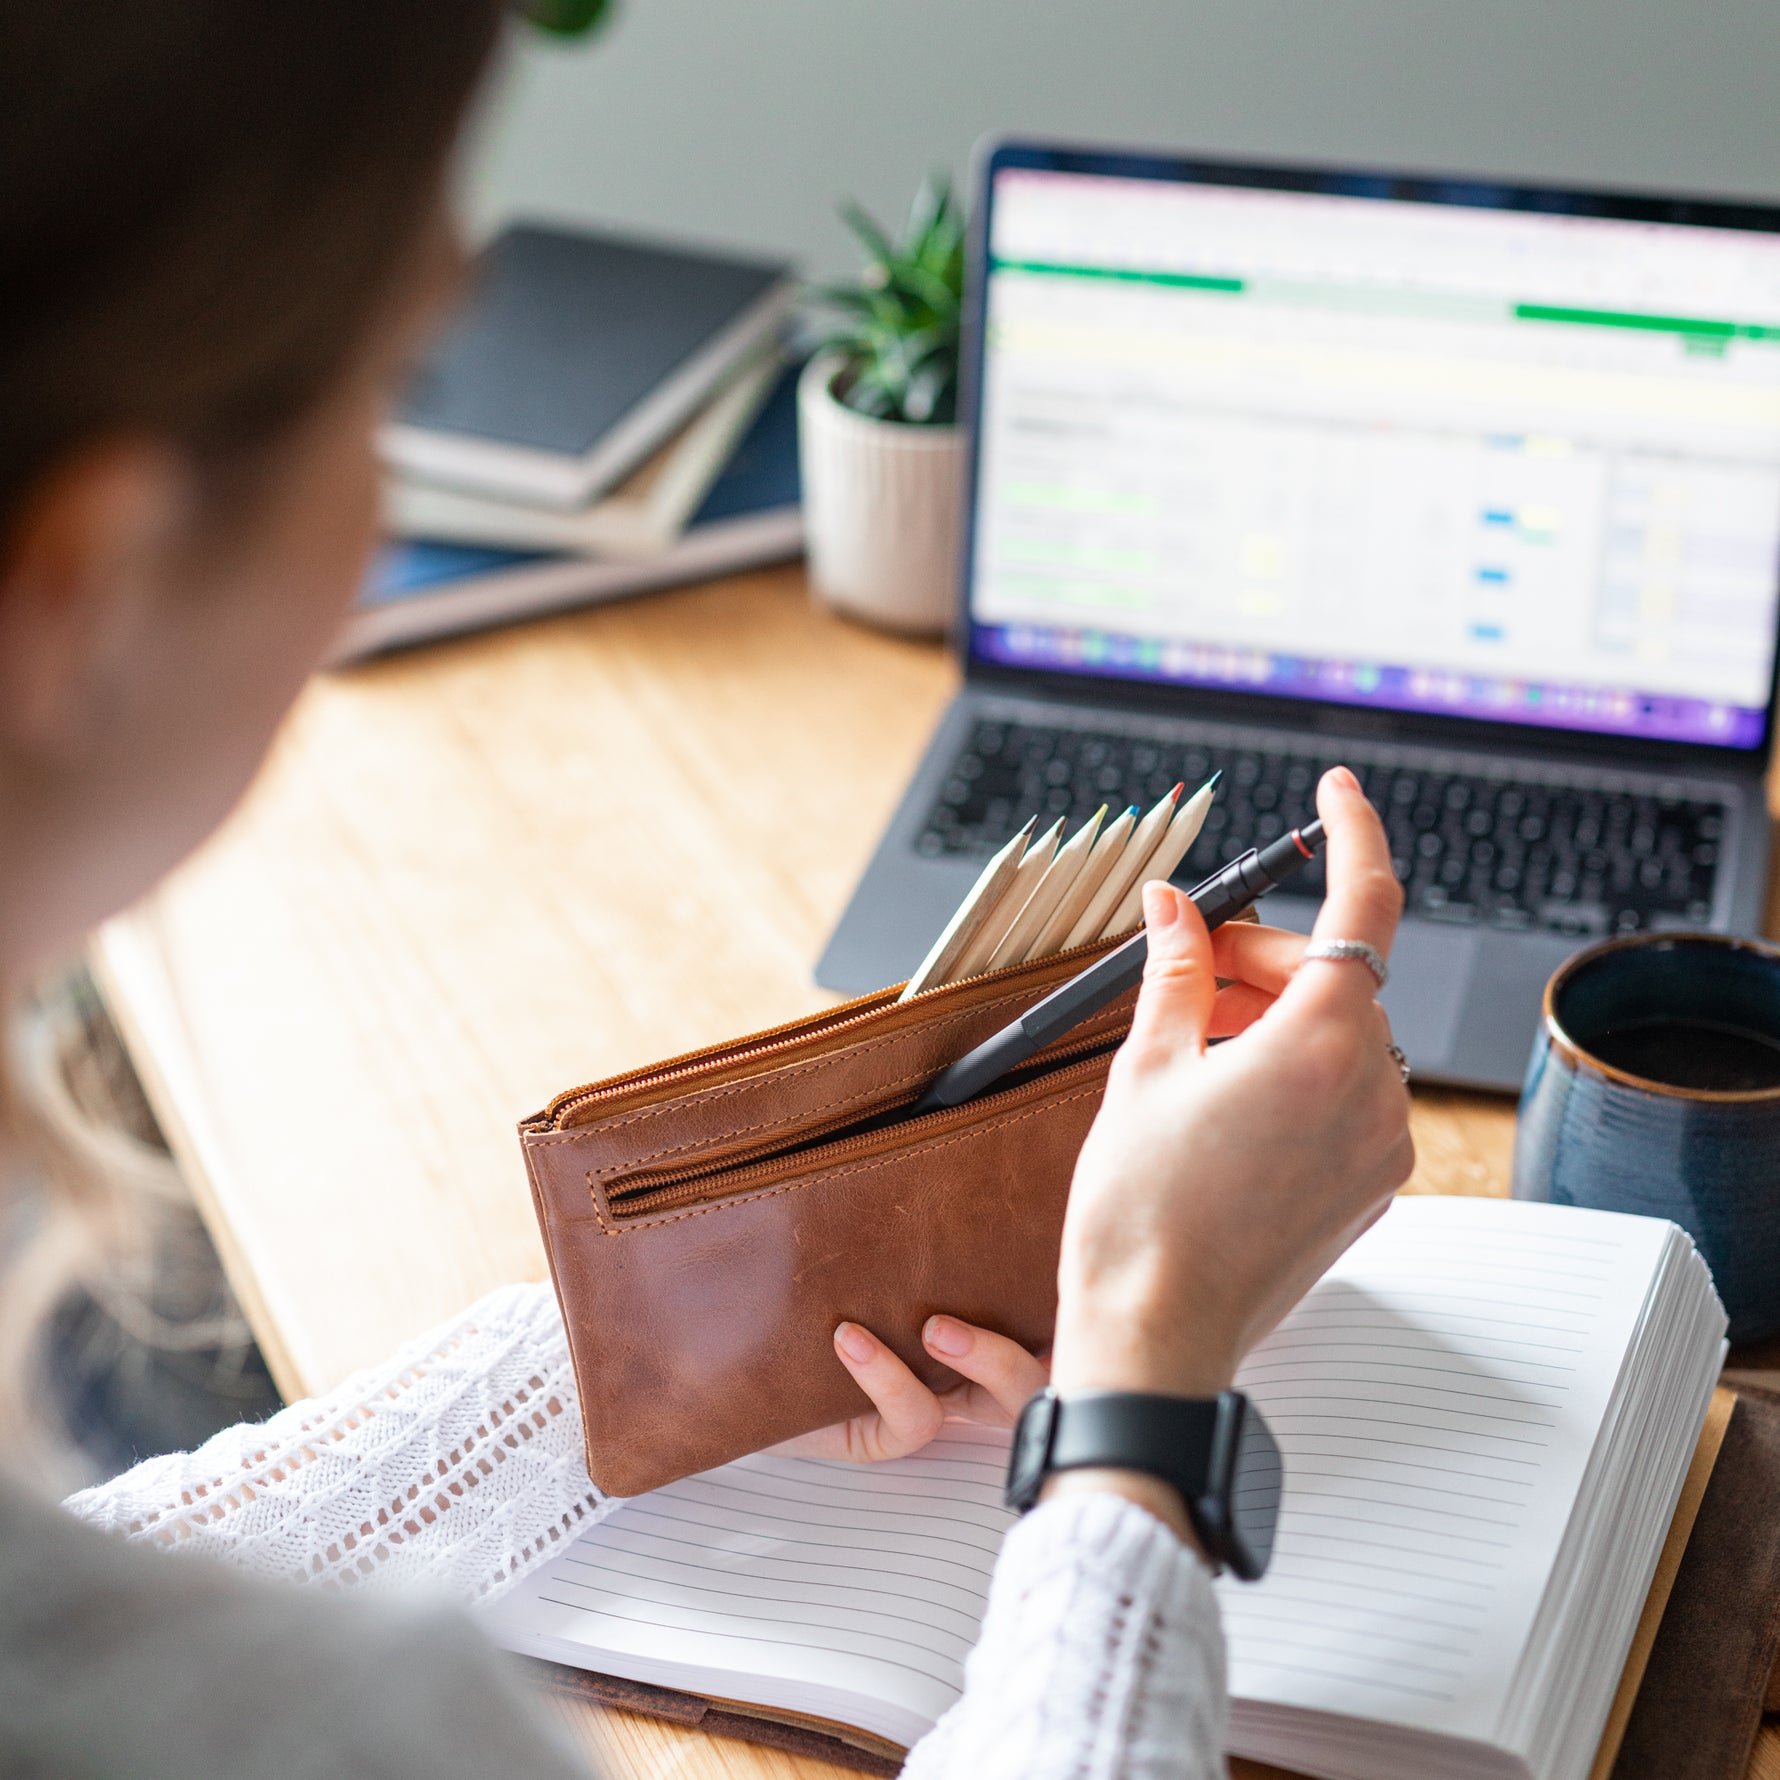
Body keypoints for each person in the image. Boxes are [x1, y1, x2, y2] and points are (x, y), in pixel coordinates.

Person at [0, 3, 1414, 1774]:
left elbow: (99, 1569)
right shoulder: (349, 1734)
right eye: (398, 386)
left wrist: (703, 1326)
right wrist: (1142, 1398)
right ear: (93, 581)